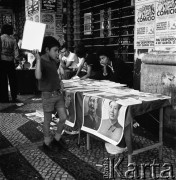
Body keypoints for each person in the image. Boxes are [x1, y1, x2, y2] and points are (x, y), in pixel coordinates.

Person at [34, 36, 67, 151]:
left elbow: (56, 74)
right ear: (47, 50)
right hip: (47, 95)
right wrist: (37, 60)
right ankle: (47, 142)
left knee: (63, 117)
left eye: (58, 50)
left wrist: (60, 82)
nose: (57, 53)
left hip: (58, 94)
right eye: (55, 50)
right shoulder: (41, 61)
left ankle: (57, 139)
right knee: (47, 120)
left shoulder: (54, 61)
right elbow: (38, 76)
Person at [0, 24, 19, 103]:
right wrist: (16, 60)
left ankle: (4, 98)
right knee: (12, 80)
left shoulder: (0, 38)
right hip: (10, 62)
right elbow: (16, 52)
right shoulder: (13, 39)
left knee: (2, 80)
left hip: (2, 61)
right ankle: (14, 96)